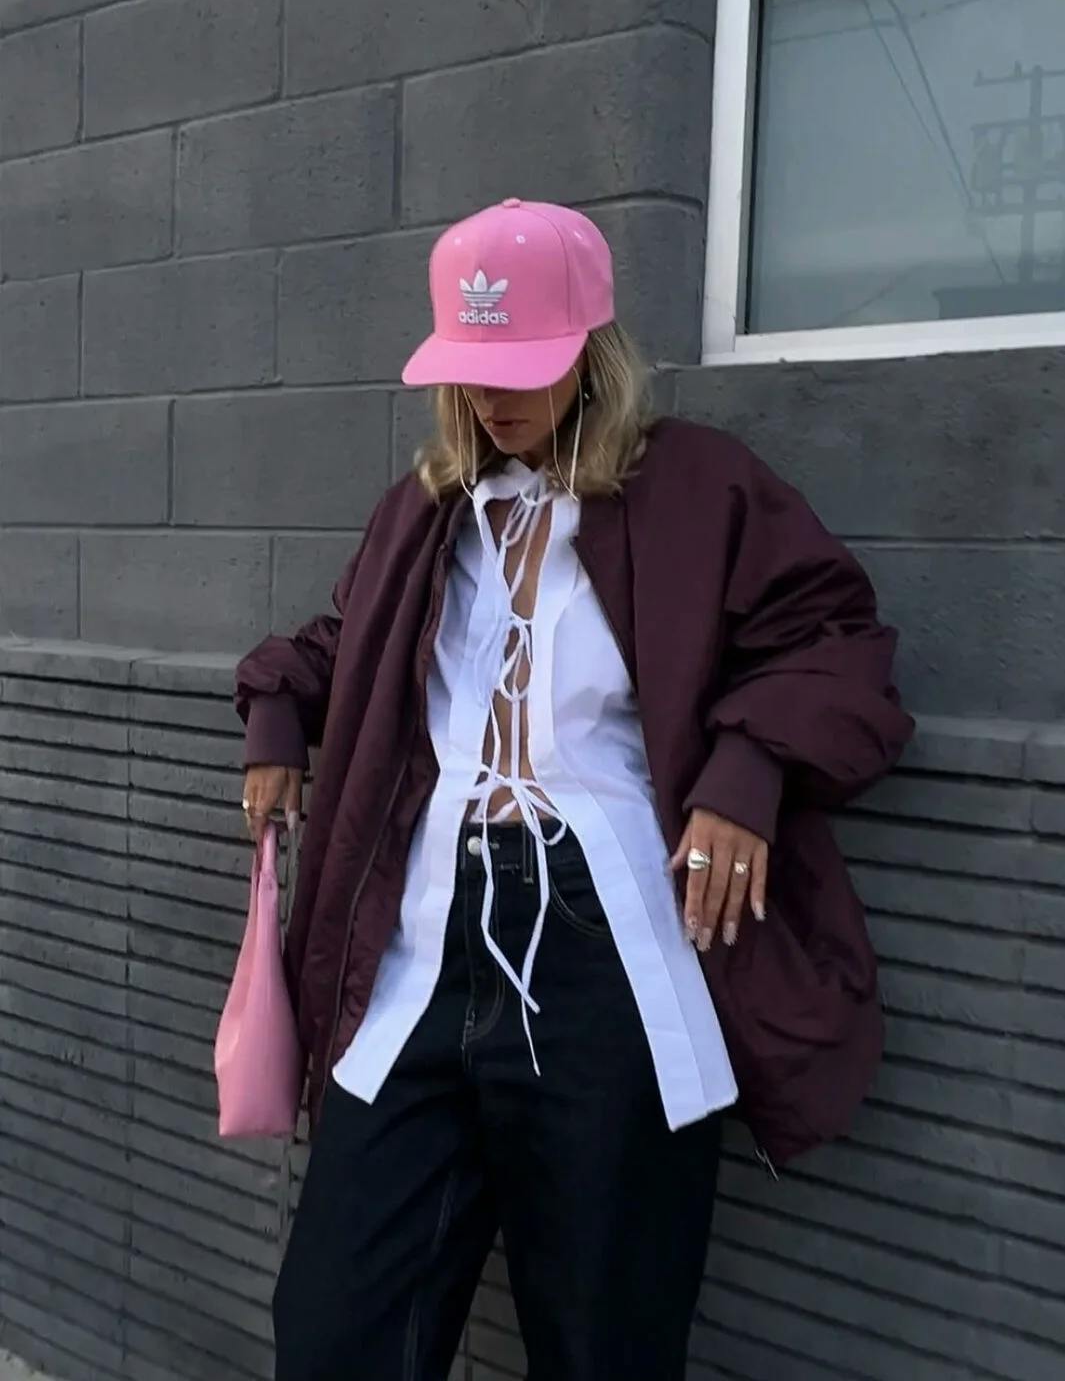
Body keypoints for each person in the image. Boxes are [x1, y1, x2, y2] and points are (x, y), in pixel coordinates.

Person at [235, 199, 913, 1381]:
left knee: (607, 1336)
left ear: (595, 351)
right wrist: (277, 710)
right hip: (423, 941)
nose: (492, 397)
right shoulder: (426, 508)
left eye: (523, 365)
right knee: (336, 1327)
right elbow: (351, 642)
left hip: (608, 946)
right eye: (472, 366)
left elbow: (835, 640)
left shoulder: (698, 486)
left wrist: (748, 768)